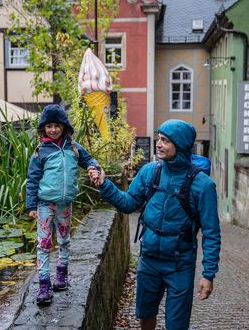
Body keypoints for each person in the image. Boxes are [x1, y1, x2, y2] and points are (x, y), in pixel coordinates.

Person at [89, 119, 221, 330]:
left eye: (165, 140)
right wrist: (105, 184)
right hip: (149, 260)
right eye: (159, 138)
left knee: (176, 325)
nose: (158, 144)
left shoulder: (203, 185)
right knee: (145, 313)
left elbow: (212, 233)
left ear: (181, 145)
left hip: (180, 265)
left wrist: (208, 274)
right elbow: (128, 203)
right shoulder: (151, 171)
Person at [26, 104, 98, 306]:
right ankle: (43, 285)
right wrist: (31, 206)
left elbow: (89, 160)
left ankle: (61, 277)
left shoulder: (73, 147)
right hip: (44, 204)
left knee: (64, 240)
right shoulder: (40, 151)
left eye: (57, 125)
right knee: (44, 244)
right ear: (43, 128)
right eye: (49, 126)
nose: (54, 130)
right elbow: (32, 179)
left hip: (65, 204)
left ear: (64, 126)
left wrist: (94, 168)